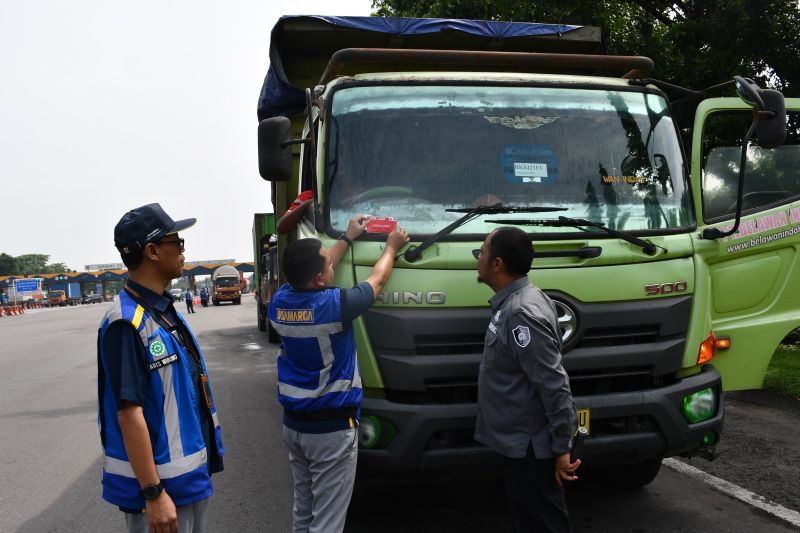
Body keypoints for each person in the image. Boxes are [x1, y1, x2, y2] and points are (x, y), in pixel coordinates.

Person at [268, 215, 409, 533]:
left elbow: (316, 267)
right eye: (328, 266)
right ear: (320, 278)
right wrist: (391, 247)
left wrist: (347, 238)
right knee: (328, 522)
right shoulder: (336, 305)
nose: (333, 266)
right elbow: (378, 280)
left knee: (304, 512)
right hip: (331, 430)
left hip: (294, 426)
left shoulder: (278, 303)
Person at [97, 203, 224, 533]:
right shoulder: (127, 322)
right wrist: (153, 494)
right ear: (152, 251)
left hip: (187, 480)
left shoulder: (163, 311)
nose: (183, 252)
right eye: (177, 243)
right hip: (162, 491)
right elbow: (128, 414)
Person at [473, 226, 579, 533]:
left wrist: (562, 447)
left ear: (497, 264)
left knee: (543, 523)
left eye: (482, 251)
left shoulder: (521, 312)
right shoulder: (520, 300)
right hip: (520, 446)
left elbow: (553, 384)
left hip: (532, 450)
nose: (477, 258)